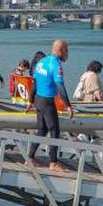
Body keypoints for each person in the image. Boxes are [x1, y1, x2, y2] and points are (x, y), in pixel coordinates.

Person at [25, 39, 74, 172]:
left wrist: (30, 101)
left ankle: (30, 157)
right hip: (47, 102)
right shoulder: (55, 64)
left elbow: (34, 84)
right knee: (55, 132)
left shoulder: (42, 62)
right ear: (60, 50)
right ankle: (53, 163)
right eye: (66, 50)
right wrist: (68, 105)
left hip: (38, 100)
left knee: (42, 130)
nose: (67, 53)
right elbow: (60, 86)